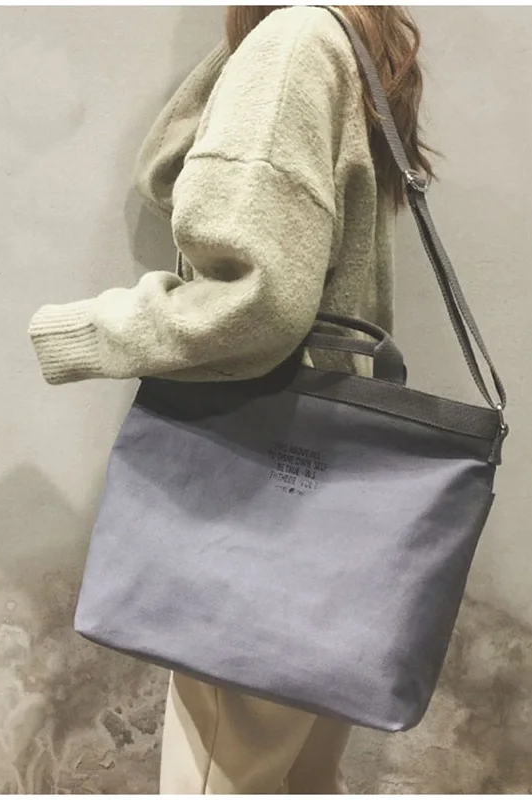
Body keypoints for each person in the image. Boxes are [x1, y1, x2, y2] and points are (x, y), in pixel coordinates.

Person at [29, 4, 437, 794]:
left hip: (255, 497)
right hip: (326, 499)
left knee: (225, 777)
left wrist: (84, 332)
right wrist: (241, 62)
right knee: (297, 776)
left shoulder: (293, 49)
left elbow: (255, 307)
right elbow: (176, 173)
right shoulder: (333, 44)